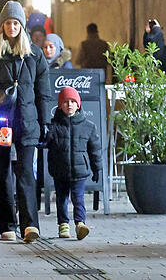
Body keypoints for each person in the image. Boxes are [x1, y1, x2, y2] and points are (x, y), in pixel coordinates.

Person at [0, 1, 53, 243]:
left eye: (16, 23)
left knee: (27, 172)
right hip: (0, 121)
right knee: (2, 172)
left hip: (27, 121)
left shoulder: (35, 55)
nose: (12, 27)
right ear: (2, 25)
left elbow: (44, 92)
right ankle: (7, 224)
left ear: (22, 25)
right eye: (8, 22)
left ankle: (30, 225)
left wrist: (45, 120)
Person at [46, 87, 101, 240]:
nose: (69, 105)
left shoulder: (88, 126)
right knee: (62, 198)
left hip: (79, 170)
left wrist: (97, 167)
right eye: (65, 102)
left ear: (78, 105)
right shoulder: (54, 126)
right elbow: (45, 143)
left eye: (72, 101)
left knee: (78, 198)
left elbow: (94, 149)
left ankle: (80, 223)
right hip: (60, 170)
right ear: (59, 105)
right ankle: (63, 224)